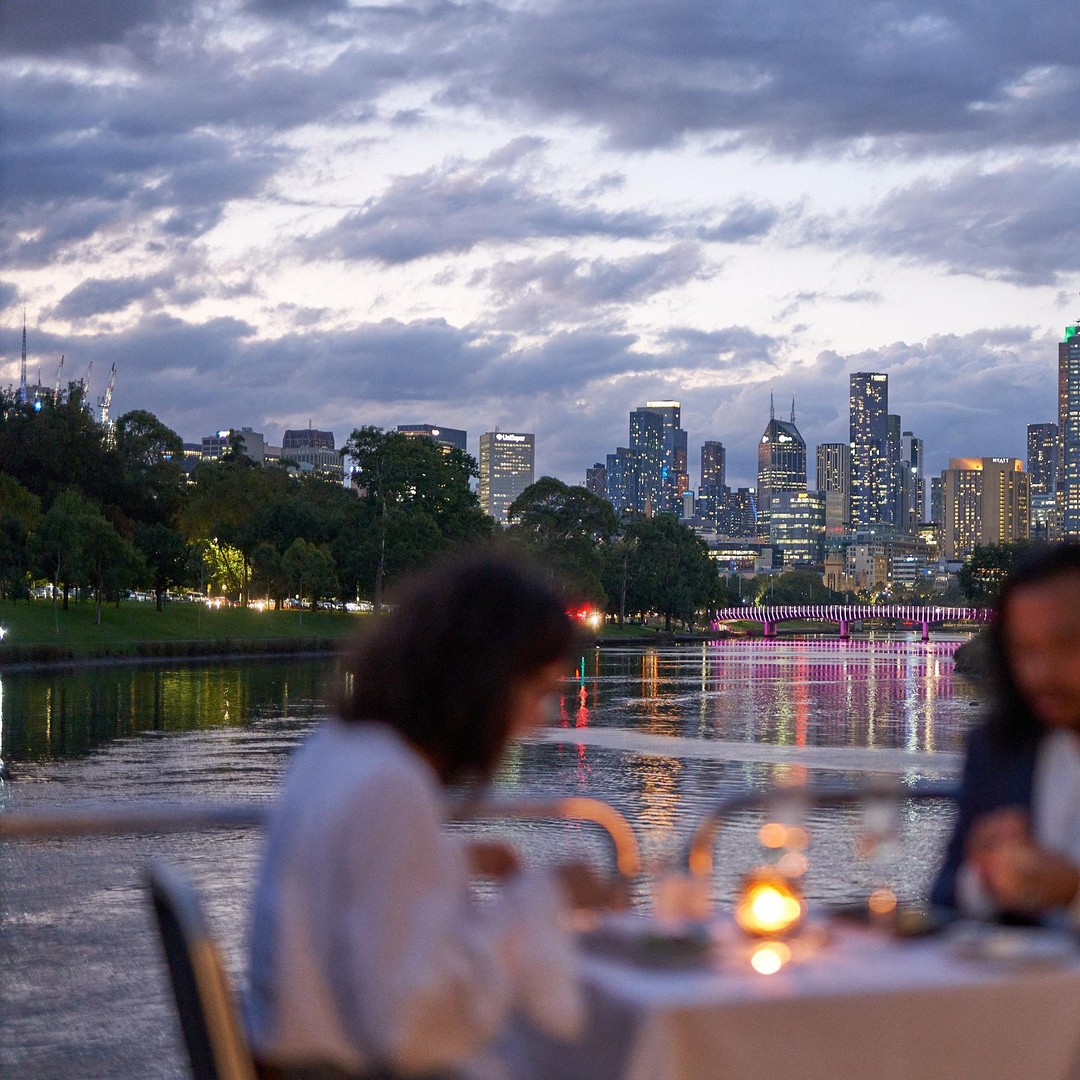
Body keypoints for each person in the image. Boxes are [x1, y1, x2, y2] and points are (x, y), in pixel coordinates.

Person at [246, 548, 625, 1080]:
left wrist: (450, 859)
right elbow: (416, 1031)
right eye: (537, 692)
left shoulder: (335, 748)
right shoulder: (390, 787)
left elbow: (347, 894)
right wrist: (546, 895)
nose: (539, 721)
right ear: (481, 683)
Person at [932, 543, 1080, 922]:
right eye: (1025, 650)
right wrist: (985, 874)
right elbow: (943, 898)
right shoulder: (999, 750)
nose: (1041, 674)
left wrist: (1072, 890)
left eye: (1066, 645)